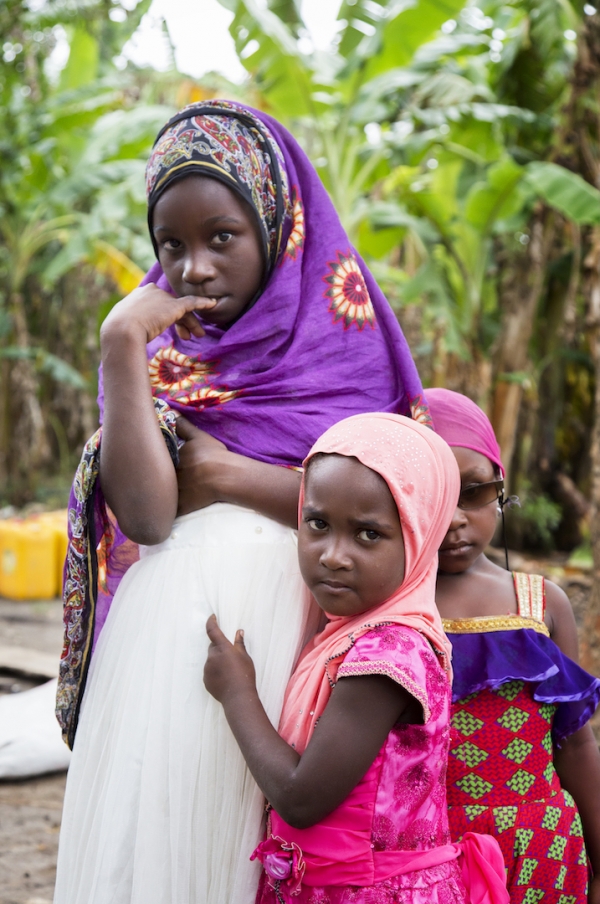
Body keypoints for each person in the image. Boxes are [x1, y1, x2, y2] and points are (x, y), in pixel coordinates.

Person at [53, 101, 429, 904]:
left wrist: (224, 477)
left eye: (221, 236)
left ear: (277, 223)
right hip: (170, 649)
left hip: (300, 640)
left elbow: (400, 513)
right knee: (165, 849)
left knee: (269, 847)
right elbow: (149, 518)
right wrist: (120, 344)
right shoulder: (154, 356)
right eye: (170, 245)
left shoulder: (343, 344)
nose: (193, 268)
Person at [204, 412, 509, 904]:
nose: (333, 556)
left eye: (368, 534)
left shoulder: (388, 654)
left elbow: (302, 798)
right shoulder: (346, 633)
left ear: (418, 537)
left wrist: (237, 693)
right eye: (318, 524)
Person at [427, 387, 600, 904]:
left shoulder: (542, 602)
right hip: (430, 855)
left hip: (542, 849)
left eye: (474, 492)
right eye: (435, 494)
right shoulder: (390, 609)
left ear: (501, 490)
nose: (455, 517)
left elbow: (576, 743)